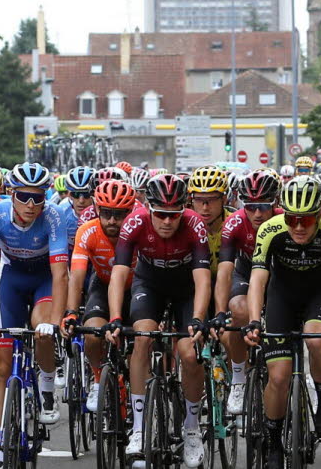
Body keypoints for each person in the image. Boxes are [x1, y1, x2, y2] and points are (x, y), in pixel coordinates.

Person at [243, 176, 321, 467]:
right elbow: (257, 281)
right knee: (278, 376)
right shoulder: (270, 230)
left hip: (320, 293)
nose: (299, 227)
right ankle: (274, 441)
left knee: (317, 338)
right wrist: (254, 320)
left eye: (306, 219)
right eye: (292, 219)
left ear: (319, 214)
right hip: (283, 297)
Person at [107, 173, 211, 466]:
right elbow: (119, 274)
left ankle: (191, 429)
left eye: (173, 215)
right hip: (149, 283)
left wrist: (199, 319)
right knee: (142, 339)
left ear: (183, 210)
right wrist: (116, 317)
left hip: (185, 287)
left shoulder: (194, 225)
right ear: (150, 209)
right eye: (161, 215)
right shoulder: (135, 222)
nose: (167, 221)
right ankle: (139, 429)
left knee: (189, 353)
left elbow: (203, 280)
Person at [0, 163, 68, 465]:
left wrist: (55, 323)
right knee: (2, 367)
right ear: (11, 194)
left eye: (38, 198)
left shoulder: (54, 216)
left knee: (41, 326)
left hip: (43, 278)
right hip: (12, 277)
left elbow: (60, 274)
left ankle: (45, 387)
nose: (31, 205)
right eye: (24, 197)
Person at [61, 179, 137, 413]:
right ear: (96, 209)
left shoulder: (138, 228)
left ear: (130, 212)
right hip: (102, 286)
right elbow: (77, 275)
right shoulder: (88, 231)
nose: (112, 221)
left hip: (137, 289)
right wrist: (72, 312)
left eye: (119, 214)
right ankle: (97, 379)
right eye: (106, 213)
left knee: (142, 342)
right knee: (93, 333)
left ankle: (138, 391)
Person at [218, 169, 281, 417]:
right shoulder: (233, 224)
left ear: (275, 202)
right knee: (239, 311)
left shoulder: (285, 221)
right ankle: (238, 378)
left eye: (264, 206)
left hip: (278, 276)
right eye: (251, 206)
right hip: (244, 273)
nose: (257, 213)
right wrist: (221, 311)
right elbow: (224, 270)